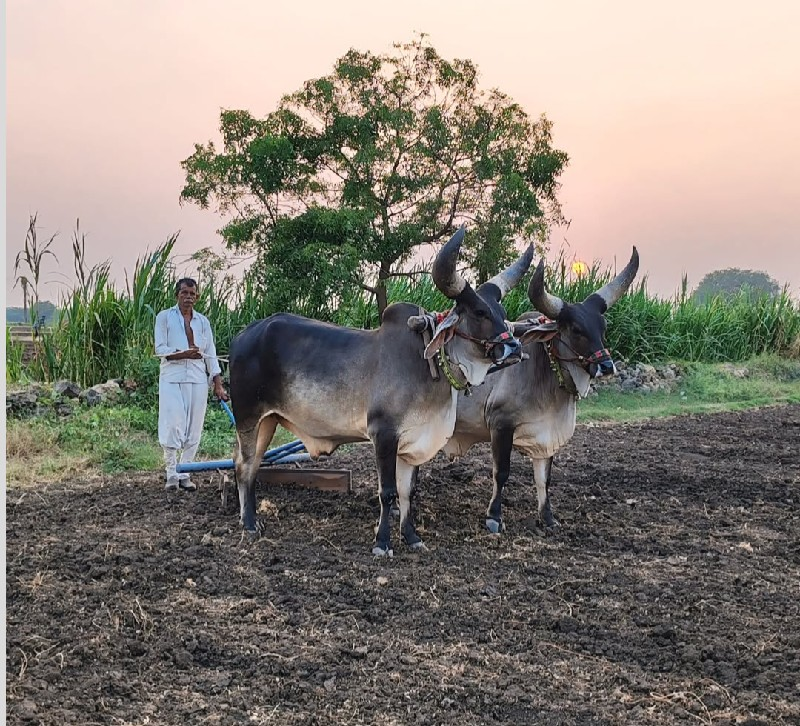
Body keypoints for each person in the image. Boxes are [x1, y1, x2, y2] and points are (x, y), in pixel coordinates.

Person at [154, 277, 228, 491]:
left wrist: (218, 384)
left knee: (193, 428)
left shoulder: (202, 322)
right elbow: (160, 349)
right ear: (177, 294)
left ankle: (185, 473)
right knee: (173, 424)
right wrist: (182, 354)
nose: (188, 297)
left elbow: (211, 354)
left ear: (197, 297)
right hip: (172, 377)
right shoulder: (165, 317)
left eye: (192, 294)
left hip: (197, 378)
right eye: (184, 293)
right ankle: (170, 473)